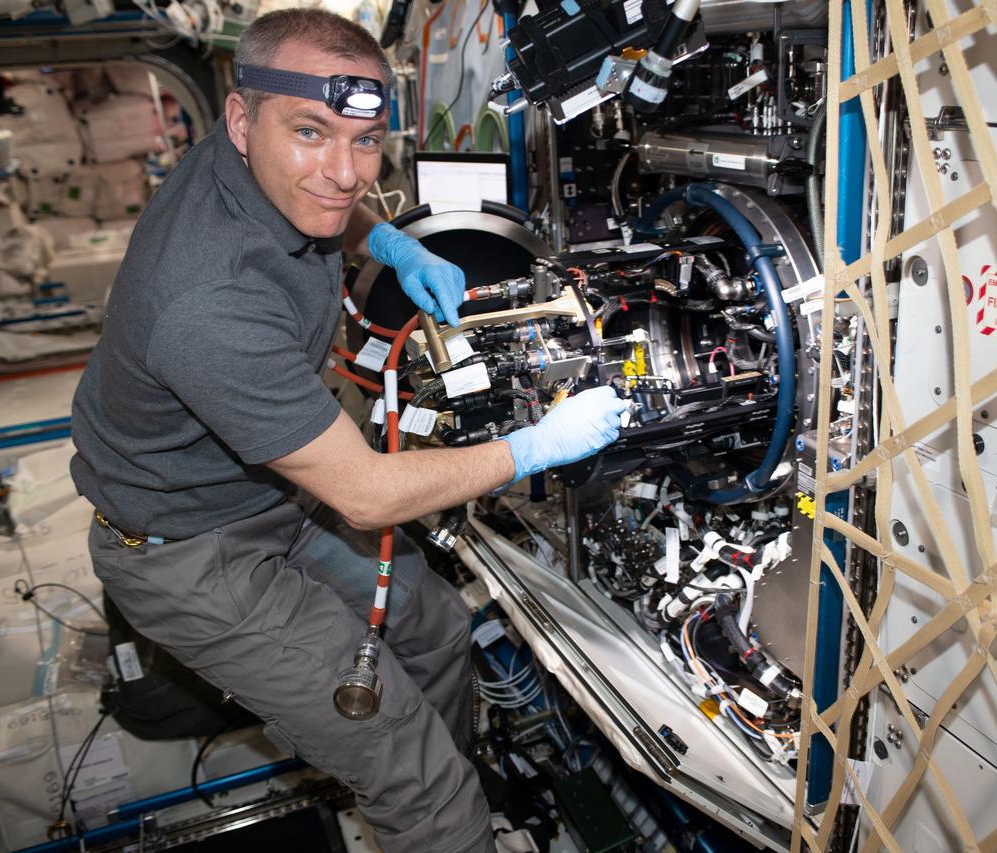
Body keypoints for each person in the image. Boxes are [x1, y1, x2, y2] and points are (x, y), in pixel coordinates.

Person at [69, 9, 626, 852]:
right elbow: (366, 495)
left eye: (367, 141)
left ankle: (447, 800)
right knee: (413, 775)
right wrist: (534, 446)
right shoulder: (206, 301)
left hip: (267, 494)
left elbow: (334, 198)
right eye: (313, 133)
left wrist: (396, 246)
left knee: (435, 630)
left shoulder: (254, 164)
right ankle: (433, 806)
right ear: (241, 118)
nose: (343, 170)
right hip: (187, 553)